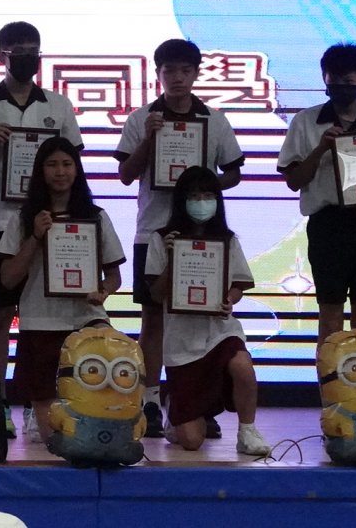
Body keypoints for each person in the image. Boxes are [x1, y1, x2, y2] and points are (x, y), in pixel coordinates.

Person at [0, 21, 84, 435]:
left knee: (47, 319)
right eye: (18, 50)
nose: (27, 57)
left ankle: (40, 402)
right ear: (1, 56)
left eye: (32, 50)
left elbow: (73, 161)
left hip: (49, 225)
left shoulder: (57, 104)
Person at [112, 38, 244, 437]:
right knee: (153, 319)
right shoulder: (142, 118)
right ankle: (150, 401)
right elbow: (125, 175)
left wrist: (202, 189)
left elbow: (233, 172)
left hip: (203, 235)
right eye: (169, 70)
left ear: (197, 73)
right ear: (158, 74)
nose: (178, 78)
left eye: (185, 70)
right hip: (152, 231)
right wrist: (149, 139)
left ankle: (197, 403)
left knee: (199, 320)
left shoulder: (214, 121)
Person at [0, 136, 122, 443]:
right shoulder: (23, 219)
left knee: (106, 378)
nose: (60, 171)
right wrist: (36, 237)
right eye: (52, 165)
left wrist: (103, 292)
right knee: (53, 436)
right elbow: (8, 278)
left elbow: (114, 276)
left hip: (86, 318)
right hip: (40, 320)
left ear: (77, 170)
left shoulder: (96, 216)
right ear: (40, 171)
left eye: (67, 164)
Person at [276, 43, 356, 343]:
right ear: (324, 78)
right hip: (327, 226)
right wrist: (321, 148)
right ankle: (329, 375)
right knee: (330, 317)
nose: (341, 87)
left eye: (348, 80)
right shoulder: (305, 121)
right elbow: (294, 181)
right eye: (334, 79)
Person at [144, 166, 267, 456]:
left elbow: (239, 285)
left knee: (242, 366)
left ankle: (247, 430)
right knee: (191, 441)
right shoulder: (161, 239)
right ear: (182, 200)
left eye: (208, 195)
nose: (202, 202)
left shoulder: (228, 239)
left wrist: (229, 299)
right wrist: (173, 259)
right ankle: (176, 411)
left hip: (220, 331)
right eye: (194, 196)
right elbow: (156, 294)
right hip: (182, 343)